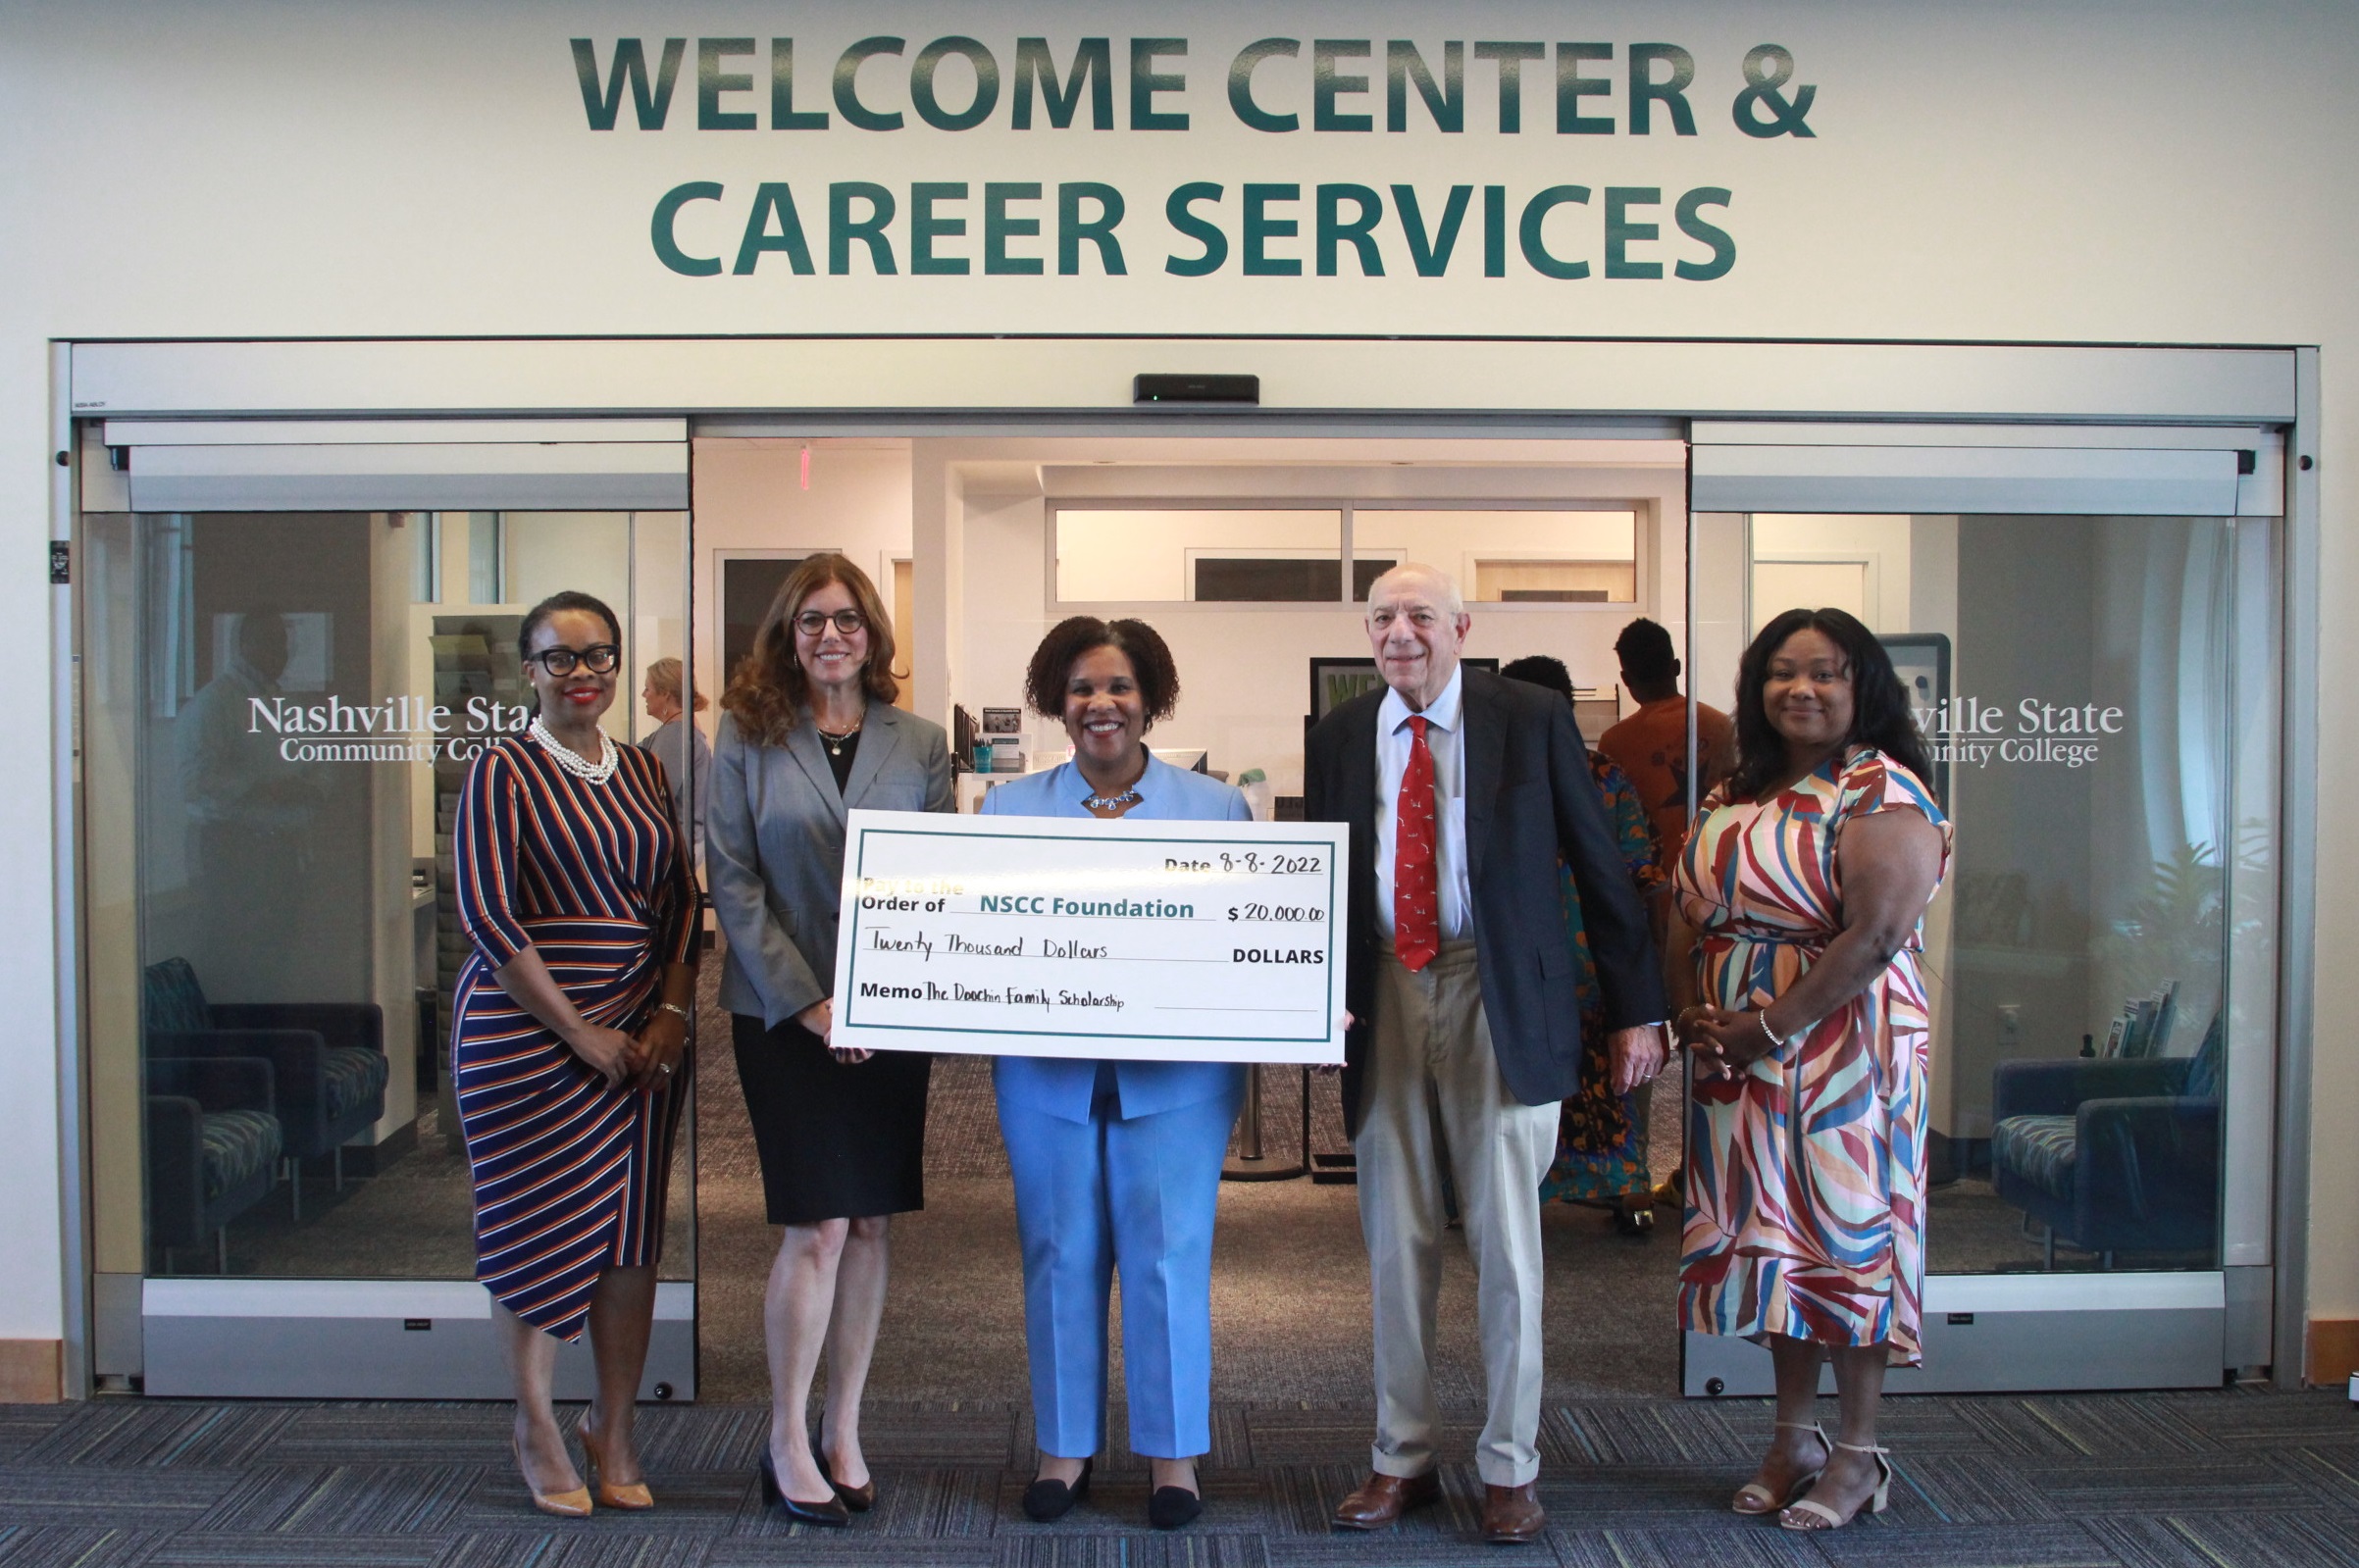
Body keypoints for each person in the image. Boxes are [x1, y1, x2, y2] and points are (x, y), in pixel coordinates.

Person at [1306, 566, 1667, 1546]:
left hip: (1494, 988)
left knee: (1507, 1242)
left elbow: (1599, 862)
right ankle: (1401, 1458)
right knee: (1395, 1239)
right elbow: (1322, 875)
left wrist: (1639, 1010)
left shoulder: (1529, 714)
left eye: (1418, 616)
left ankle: (1509, 1467)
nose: (1399, 634)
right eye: (1381, 618)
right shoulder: (1342, 732)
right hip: (1381, 988)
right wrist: (1304, 999)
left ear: (1461, 627)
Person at [1670, 606, 1950, 1533]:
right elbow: (1687, 905)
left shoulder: (1883, 789)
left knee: (1844, 1245)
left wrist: (1766, 1027)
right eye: (1782, 671)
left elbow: (1872, 936)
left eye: (1826, 672)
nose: (1802, 688)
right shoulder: (1735, 786)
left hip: (1842, 1050)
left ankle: (1860, 1455)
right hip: (1740, 1050)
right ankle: (1792, 1438)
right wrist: (1691, 1010)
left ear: (1860, 684)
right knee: (1776, 1247)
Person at [980, 615, 1250, 1534]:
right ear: (1058, 700)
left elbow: (1247, 945)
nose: (1102, 704)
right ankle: (1065, 1447)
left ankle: (1173, 1456)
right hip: (1045, 1075)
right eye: (1083, 688)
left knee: (1168, 1253)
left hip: (1177, 1079)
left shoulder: (1215, 809)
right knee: (1058, 1252)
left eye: (1120, 687)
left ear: (1151, 699)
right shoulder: (1009, 810)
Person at [706, 553, 952, 1528]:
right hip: (781, 1012)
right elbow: (731, 877)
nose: (830, 637)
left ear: (872, 633)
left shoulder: (919, 740)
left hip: (890, 1016)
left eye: (847, 620)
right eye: (811, 622)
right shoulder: (745, 734)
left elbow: (937, 879)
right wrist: (814, 1004)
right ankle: (782, 1435)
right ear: (785, 634)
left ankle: (843, 1427)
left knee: (872, 1223)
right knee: (814, 1224)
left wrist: (878, 1000)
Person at [450, 590, 699, 1518]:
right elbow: (485, 912)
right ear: (529, 670)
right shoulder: (502, 768)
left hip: (639, 1039)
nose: (583, 673)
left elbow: (679, 899)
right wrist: (574, 1029)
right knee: (533, 1225)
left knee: (629, 1235)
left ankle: (617, 1426)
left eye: (600, 656)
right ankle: (534, 1422)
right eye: (561, 658)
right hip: (528, 1038)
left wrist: (671, 1010)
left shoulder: (641, 770)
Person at [1499, 655, 1668, 1239]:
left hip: (1522, 963)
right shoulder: (1606, 777)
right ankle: (1625, 1189)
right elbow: (1641, 873)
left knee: (1518, 1083)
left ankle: (1509, 1194)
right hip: (1598, 959)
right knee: (1613, 1077)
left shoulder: (1493, 782)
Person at [1596, 617, 1735, 872]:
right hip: (1717, 873)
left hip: (1654, 882)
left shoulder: (1615, 741)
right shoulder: (1722, 726)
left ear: (1626, 679)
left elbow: (1610, 826)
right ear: (1677, 667)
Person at [640, 656, 712, 868]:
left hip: (674, 845)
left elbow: (656, 795)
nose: (644, 695)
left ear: (665, 693)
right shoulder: (674, 731)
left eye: (648, 688)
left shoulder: (677, 734)